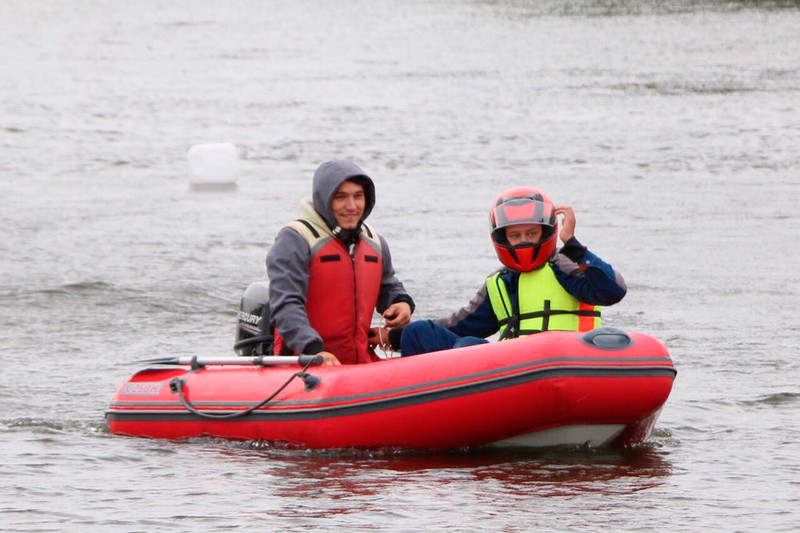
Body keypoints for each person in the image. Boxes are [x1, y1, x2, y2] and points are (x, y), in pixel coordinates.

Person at [368, 187, 626, 357]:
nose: (524, 241)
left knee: (469, 347)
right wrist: (393, 336)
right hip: (511, 372)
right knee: (421, 332)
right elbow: (460, 324)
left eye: (531, 233)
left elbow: (612, 291)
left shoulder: (564, 265)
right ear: (502, 238)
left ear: (547, 232)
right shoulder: (500, 282)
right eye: (515, 235)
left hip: (568, 363)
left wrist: (574, 246)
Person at [267, 160, 414, 365]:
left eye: (358, 196)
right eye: (340, 197)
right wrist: (314, 351)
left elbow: (388, 286)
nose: (351, 206)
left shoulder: (375, 242)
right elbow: (286, 307)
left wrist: (401, 303)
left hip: (361, 365)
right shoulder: (295, 240)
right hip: (305, 365)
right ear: (325, 200)